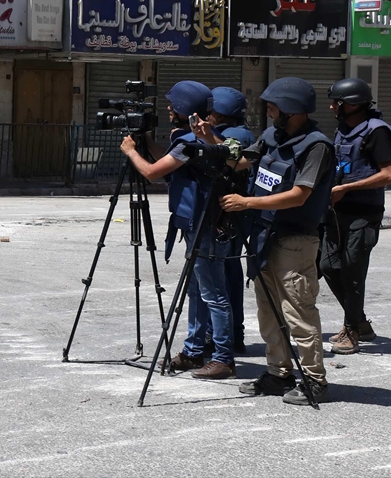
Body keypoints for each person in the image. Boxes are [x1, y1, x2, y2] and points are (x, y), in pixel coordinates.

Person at [220, 77, 334, 405]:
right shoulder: (273, 135)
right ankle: (278, 373)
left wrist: (247, 203)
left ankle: (315, 381)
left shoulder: (316, 146)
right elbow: (243, 160)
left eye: (272, 107)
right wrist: (209, 143)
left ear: (291, 109)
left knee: (298, 312)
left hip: (295, 240)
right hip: (263, 236)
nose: (268, 113)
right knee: (268, 311)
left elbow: (300, 195)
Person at [120, 81, 236, 379]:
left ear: (186, 109)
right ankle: (194, 352)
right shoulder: (198, 138)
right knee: (197, 293)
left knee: (213, 294)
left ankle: (223, 357)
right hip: (197, 224)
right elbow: (170, 159)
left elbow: (152, 173)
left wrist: (132, 151)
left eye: (173, 106)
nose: (168, 110)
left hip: (205, 226)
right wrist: (147, 142)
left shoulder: (192, 142)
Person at [320, 78, 391, 355]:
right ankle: (360, 322)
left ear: (352, 104)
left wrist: (347, 188)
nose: (331, 107)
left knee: (352, 271)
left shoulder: (377, 132)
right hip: (338, 211)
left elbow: (389, 174)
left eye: (336, 103)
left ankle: (351, 330)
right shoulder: (345, 129)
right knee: (328, 266)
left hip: (364, 213)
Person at [193, 87, 256, 354]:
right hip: (235, 213)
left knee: (223, 277)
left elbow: (222, 161)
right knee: (228, 273)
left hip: (229, 213)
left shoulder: (232, 136)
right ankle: (231, 333)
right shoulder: (239, 132)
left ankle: (224, 336)